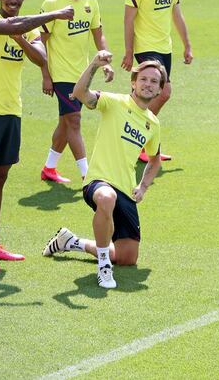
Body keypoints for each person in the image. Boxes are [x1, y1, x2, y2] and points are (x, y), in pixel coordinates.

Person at [0, 0, 74, 273]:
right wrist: (53, 15)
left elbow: (41, 59)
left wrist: (21, 37)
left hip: (11, 111)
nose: (13, 0)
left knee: (0, 177)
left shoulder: (26, 29)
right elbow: (12, 25)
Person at [42, 51, 164, 289]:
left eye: (154, 82)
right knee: (107, 198)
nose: (148, 85)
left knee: (128, 258)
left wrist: (143, 187)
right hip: (98, 182)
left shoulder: (153, 123)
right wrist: (95, 65)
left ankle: (71, 242)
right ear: (133, 82)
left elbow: (155, 160)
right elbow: (79, 94)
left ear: (159, 90)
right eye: (144, 79)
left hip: (126, 191)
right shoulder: (114, 102)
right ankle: (104, 267)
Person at [39, 0, 114, 184]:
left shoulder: (91, 0)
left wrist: (106, 60)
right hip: (61, 73)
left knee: (65, 122)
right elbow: (40, 41)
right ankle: (87, 174)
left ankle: (49, 168)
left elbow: (98, 33)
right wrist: (45, 75)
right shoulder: (52, 3)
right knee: (74, 121)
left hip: (83, 74)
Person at [122, 0, 194, 162]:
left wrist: (187, 44)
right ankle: (139, 140)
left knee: (156, 96)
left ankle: (139, 140)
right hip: (146, 46)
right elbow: (128, 19)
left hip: (165, 47)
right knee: (163, 92)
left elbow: (177, 13)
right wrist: (128, 51)